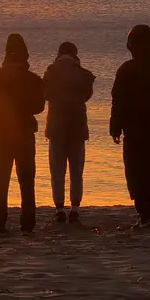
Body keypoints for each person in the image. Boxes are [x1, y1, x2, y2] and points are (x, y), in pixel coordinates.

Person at [109, 25, 150, 226]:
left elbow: (117, 99)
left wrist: (115, 126)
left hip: (135, 129)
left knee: (137, 171)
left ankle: (145, 215)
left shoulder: (126, 70)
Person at [0, 34, 47, 234]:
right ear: (25, 55)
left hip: (2, 133)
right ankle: (28, 223)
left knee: (0, 179)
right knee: (27, 180)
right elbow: (39, 107)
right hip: (25, 133)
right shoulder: (34, 79)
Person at [43, 41, 97, 223]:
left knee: (57, 170)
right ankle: (75, 208)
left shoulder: (51, 71)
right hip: (77, 126)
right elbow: (87, 96)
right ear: (75, 55)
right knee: (76, 169)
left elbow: (46, 94)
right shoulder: (83, 74)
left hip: (57, 126)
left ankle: (59, 208)